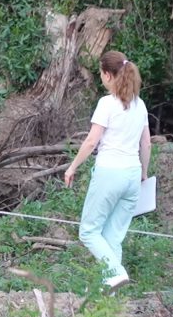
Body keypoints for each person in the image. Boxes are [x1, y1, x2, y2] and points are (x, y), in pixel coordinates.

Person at [64, 50, 151, 293]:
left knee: (89, 232)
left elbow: (91, 142)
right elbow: (146, 143)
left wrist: (72, 167)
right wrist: (144, 172)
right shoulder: (140, 104)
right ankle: (111, 297)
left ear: (107, 75)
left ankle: (116, 273)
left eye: (101, 74)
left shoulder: (106, 104)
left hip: (110, 172)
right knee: (112, 237)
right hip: (133, 175)